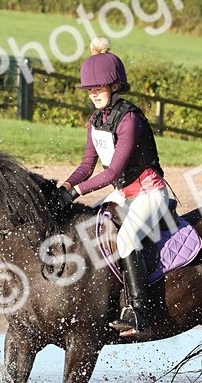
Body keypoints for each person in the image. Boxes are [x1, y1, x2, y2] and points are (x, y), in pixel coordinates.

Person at [60, 38, 169, 338]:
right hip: (123, 193)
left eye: (99, 87)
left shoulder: (129, 119)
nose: (93, 93)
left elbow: (113, 172)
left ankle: (138, 312)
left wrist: (78, 192)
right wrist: (66, 185)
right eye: (89, 89)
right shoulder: (96, 121)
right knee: (89, 229)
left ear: (115, 85)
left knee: (126, 240)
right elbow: (87, 165)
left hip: (149, 192)